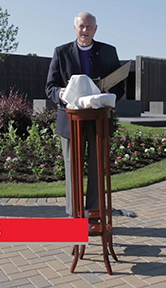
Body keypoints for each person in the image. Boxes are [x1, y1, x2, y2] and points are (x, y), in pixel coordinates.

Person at [45, 12, 125, 220]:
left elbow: (121, 87)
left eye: (89, 27)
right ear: (74, 28)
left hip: (99, 119)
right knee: (73, 169)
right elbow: (50, 87)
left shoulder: (108, 52)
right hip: (71, 121)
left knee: (98, 167)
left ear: (95, 29)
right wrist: (61, 94)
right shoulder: (61, 52)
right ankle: (75, 215)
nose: (85, 31)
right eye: (81, 26)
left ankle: (94, 213)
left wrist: (108, 91)